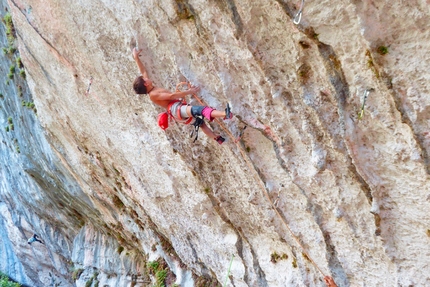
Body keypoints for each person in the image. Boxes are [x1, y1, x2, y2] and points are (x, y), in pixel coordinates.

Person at [131, 48, 232, 144]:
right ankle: (225, 114)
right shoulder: (153, 94)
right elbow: (171, 96)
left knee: (201, 123)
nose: (146, 78)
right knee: (200, 110)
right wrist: (190, 91)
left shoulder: (151, 88)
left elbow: (143, 71)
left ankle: (217, 138)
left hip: (176, 111)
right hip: (176, 109)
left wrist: (136, 57)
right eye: (145, 79)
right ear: (145, 84)